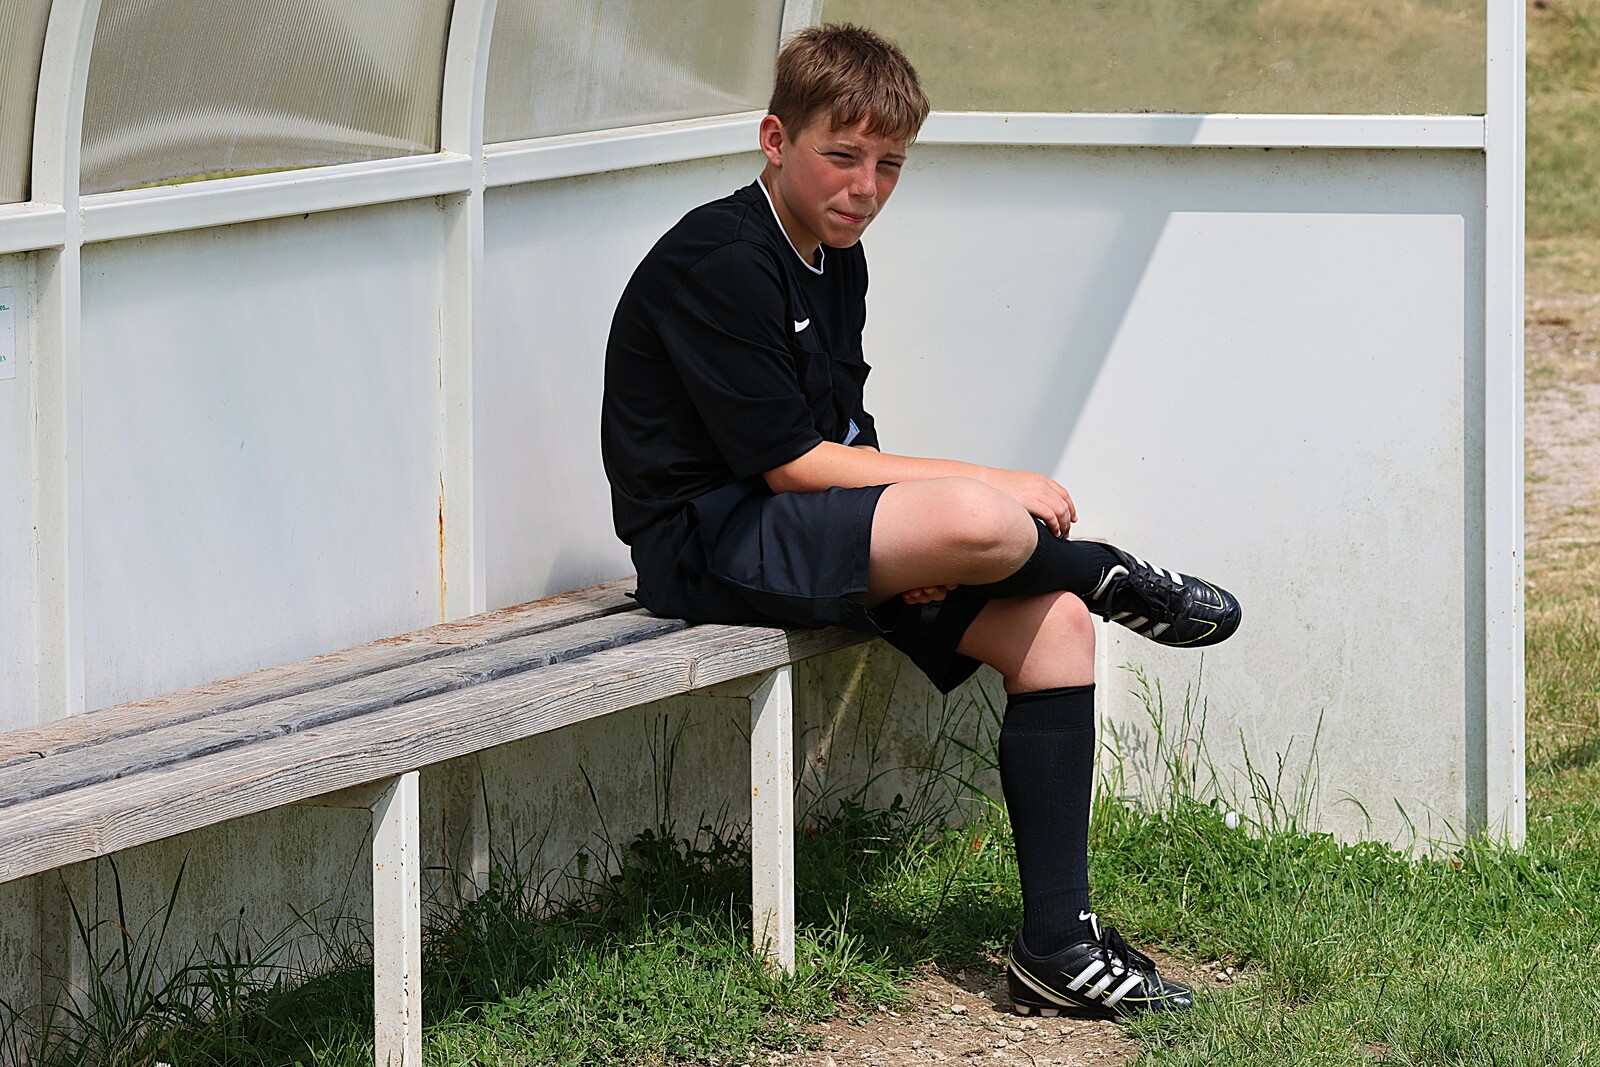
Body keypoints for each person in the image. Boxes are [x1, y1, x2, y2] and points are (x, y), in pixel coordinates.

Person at [601, 23, 1239, 1020]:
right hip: (709, 542)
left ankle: (1058, 945)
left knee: (1053, 631)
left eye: (889, 165)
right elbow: (793, 462)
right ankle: (1101, 570)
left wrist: (909, 542)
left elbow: (847, 433)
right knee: (987, 512)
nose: (865, 188)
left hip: (801, 529)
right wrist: (968, 493)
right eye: (841, 156)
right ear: (775, 139)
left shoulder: (835, 254)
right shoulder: (720, 257)